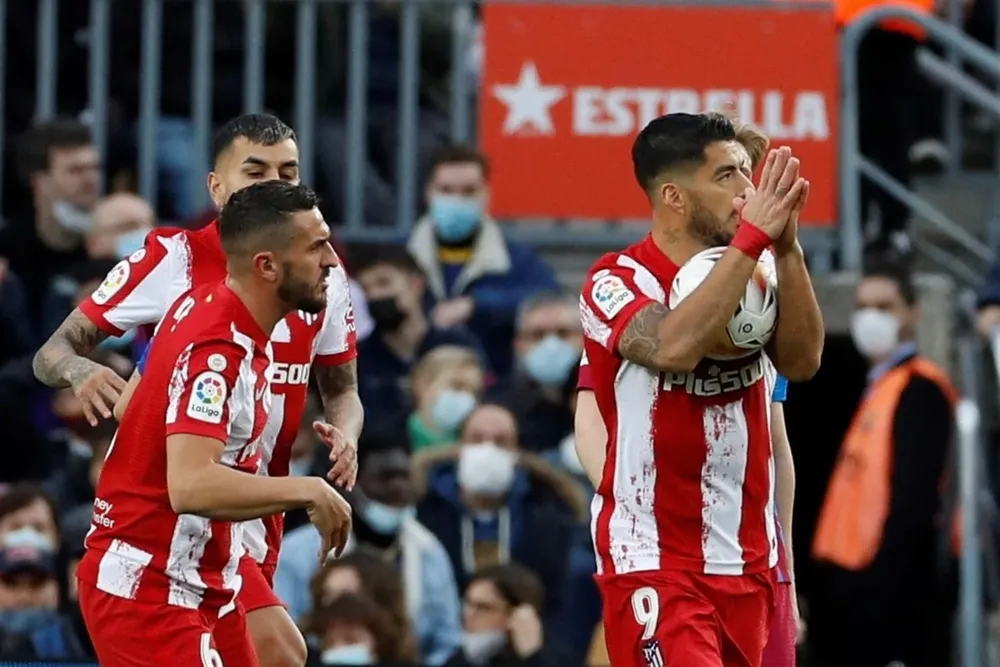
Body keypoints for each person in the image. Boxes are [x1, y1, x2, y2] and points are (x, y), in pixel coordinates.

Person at [33, 112, 363, 667]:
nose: (274, 184)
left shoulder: (253, 301)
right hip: (171, 539)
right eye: (255, 171)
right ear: (216, 185)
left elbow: (342, 389)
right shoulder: (190, 287)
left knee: (283, 654)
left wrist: (344, 436)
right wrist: (82, 372)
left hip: (237, 525)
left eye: (288, 171)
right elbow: (58, 355)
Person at [577, 112, 823, 667]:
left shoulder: (761, 274)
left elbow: (804, 363)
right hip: (654, 559)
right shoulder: (615, 280)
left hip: (751, 561)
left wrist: (787, 250)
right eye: (727, 177)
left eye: (746, 173)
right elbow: (672, 347)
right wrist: (755, 240)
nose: (747, 192)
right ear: (675, 197)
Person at [809, 259, 955, 667]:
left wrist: (884, 596)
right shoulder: (879, 388)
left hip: (886, 598)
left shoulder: (919, 389)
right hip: (852, 588)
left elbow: (913, 504)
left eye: (884, 306)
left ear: (913, 311)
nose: (870, 317)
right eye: (863, 306)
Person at [277, 429, 461, 664]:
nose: (398, 487)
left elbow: (446, 643)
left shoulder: (430, 552)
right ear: (353, 483)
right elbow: (282, 633)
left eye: (404, 477)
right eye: (386, 477)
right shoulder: (298, 553)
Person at [407, 145, 560, 377]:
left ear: (486, 194)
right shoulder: (402, 257)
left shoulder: (515, 258)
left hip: (494, 387)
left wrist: (476, 305)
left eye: (468, 191)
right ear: (429, 193)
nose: (457, 200)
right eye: (446, 190)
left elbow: (550, 300)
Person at [353, 243, 487, 419]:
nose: (375, 296)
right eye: (366, 289)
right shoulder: (356, 359)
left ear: (416, 285)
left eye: (384, 283)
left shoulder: (458, 345)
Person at [1, 118, 98, 336]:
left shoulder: (108, 247)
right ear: (39, 181)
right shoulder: (8, 250)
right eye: (75, 171)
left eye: (94, 168)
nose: (91, 179)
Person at [488, 292, 582, 452]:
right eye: (538, 335)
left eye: (563, 333)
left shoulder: (607, 402)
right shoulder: (500, 408)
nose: (551, 345)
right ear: (518, 345)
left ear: (585, 339)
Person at [445, 563, 563, 667]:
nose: (468, 614)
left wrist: (532, 656)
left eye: (483, 608)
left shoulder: (553, 659)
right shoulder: (461, 658)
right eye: (467, 604)